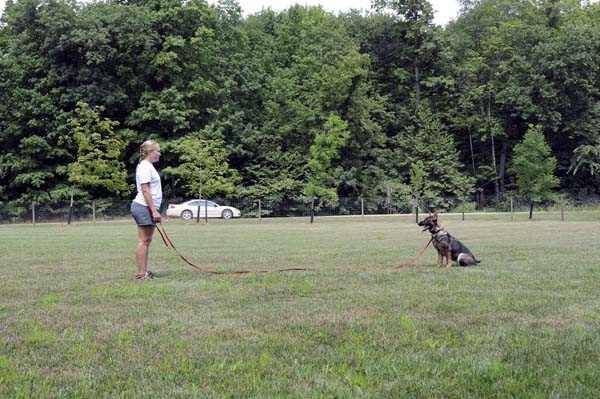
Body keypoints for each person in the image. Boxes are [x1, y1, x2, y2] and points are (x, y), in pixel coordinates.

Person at [131, 140, 162, 280]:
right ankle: (141, 274)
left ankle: (144, 272)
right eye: (158, 151)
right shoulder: (145, 167)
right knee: (144, 240)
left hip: (146, 207)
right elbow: (145, 190)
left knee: (146, 240)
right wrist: (154, 211)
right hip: (144, 206)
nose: (159, 154)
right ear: (150, 152)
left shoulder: (148, 166)